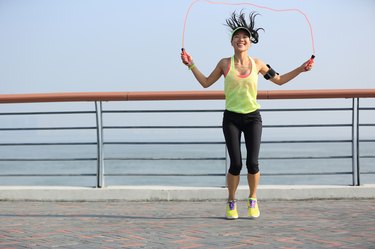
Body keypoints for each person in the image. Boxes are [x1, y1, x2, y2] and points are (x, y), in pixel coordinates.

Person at [181, 10, 314, 219]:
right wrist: (191, 65)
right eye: (237, 36)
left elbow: (278, 80)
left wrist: (300, 69)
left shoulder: (259, 64)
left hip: (253, 117)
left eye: (244, 36)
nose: (241, 39)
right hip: (231, 118)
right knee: (236, 164)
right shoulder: (225, 63)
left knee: (253, 163)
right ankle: (231, 201)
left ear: (250, 42)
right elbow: (206, 83)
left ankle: (253, 198)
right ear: (232, 42)